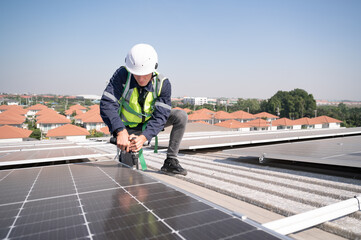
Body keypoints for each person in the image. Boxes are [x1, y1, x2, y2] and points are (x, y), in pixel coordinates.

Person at [100, 43, 188, 176]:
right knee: (127, 173)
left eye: (145, 74)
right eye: (136, 74)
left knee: (181, 116)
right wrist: (120, 131)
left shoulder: (163, 84)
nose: (141, 79)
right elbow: (107, 104)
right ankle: (124, 157)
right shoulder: (122, 75)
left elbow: (160, 116)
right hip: (126, 128)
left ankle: (171, 160)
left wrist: (144, 137)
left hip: (149, 123)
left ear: (154, 68)